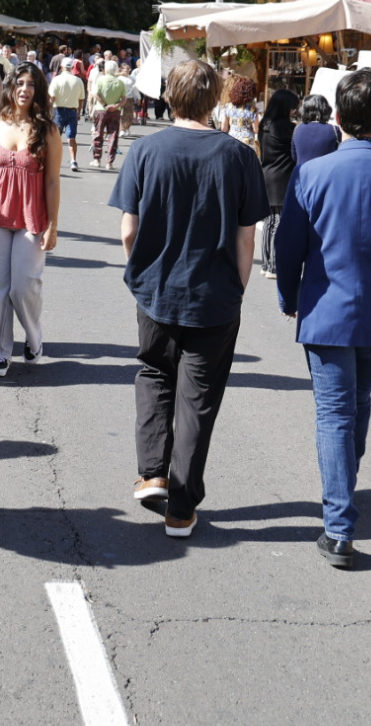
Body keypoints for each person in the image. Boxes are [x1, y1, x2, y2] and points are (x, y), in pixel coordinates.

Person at [275, 68, 371, 569]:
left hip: (325, 310)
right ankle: (344, 487)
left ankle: (339, 524)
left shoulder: (313, 173)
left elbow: (289, 245)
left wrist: (288, 297)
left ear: (338, 117)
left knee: (336, 413)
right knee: (357, 403)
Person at [109, 61, 268, 538]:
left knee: (154, 371)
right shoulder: (238, 156)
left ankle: (152, 471)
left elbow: (128, 229)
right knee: (198, 399)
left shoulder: (146, 150)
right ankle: (181, 505)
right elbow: (247, 240)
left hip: (155, 288)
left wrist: (141, 273)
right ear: (215, 98)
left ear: (171, 96)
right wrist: (238, 290)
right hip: (214, 294)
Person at [0, 65, 61, 376]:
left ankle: (33, 338)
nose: (24, 89)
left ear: (38, 91)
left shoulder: (48, 130)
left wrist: (54, 225)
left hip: (32, 216)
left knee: (23, 286)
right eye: (19, 83)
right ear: (11, 87)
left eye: (31, 84)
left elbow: (53, 182)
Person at [257, 89, 301, 279]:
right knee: (279, 222)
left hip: (267, 174)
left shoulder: (264, 124)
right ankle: (274, 266)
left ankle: (266, 263)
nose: (293, 111)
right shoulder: (286, 127)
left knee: (269, 222)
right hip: (283, 177)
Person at [48, 59, 87, 173]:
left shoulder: (56, 79)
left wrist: (48, 110)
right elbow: (81, 99)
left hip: (58, 111)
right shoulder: (78, 80)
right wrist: (79, 112)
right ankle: (73, 161)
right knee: (72, 138)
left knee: (55, 138)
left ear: (62, 66)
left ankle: (53, 161)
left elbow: (52, 97)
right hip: (72, 111)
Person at [90, 60, 127, 170]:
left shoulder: (101, 80)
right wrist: (116, 105)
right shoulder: (120, 82)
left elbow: (95, 93)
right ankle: (109, 162)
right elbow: (124, 99)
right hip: (115, 111)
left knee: (98, 134)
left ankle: (97, 159)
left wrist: (105, 104)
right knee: (113, 135)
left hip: (101, 109)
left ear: (106, 69)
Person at [213, 75, 262, 152]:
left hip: (232, 141)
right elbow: (256, 130)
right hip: (247, 144)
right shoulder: (252, 109)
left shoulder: (228, 107)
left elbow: (224, 128)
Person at [292, 94, 340, 171]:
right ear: (326, 110)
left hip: (302, 176)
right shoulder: (334, 130)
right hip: (326, 176)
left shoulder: (297, 129)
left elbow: (294, 156)